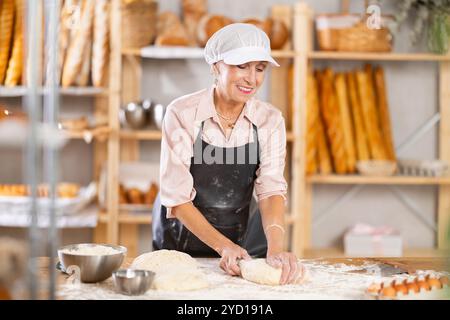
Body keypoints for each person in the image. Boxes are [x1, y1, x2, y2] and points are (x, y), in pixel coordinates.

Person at [152, 23, 304, 284]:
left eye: (260, 68)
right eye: (241, 66)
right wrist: (223, 246)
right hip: (181, 241)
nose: (252, 79)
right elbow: (176, 199)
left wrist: (276, 246)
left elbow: (271, 191)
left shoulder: (270, 120)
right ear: (215, 66)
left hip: (243, 242)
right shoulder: (182, 113)